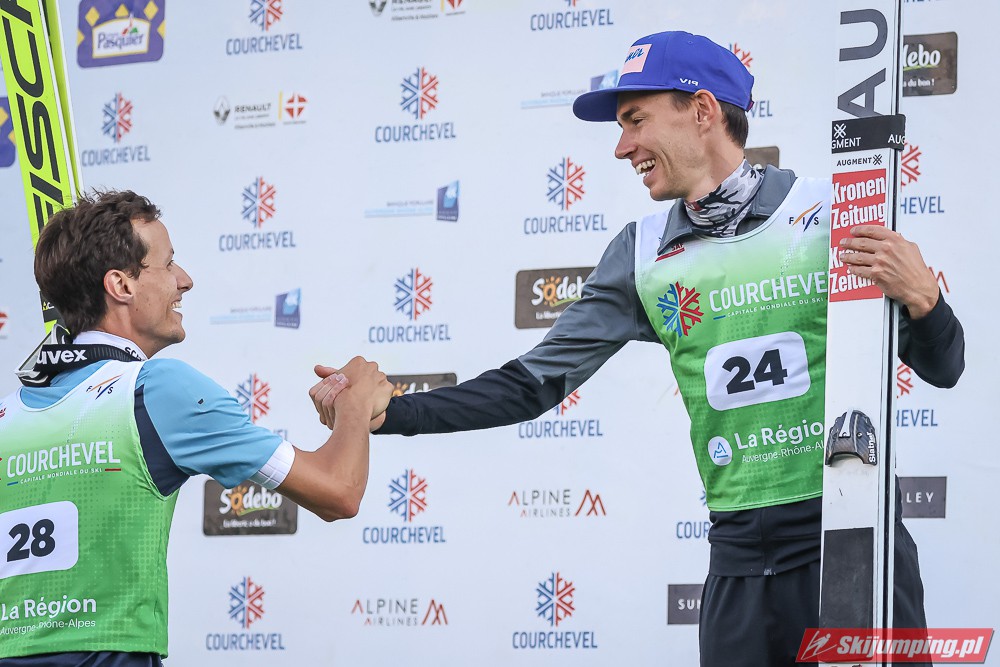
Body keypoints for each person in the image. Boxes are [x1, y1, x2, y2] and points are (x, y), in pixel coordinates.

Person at [337, 31, 965, 666]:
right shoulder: (640, 253)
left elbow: (944, 366)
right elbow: (533, 384)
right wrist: (393, 411)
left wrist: (926, 301)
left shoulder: (830, 215)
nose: (621, 147)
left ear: (702, 110)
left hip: (853, 543)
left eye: (635, 121)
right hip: (738, 561)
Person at [0, 190, 392, 667]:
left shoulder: (8, 414)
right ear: (120, 285)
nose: (185, 280)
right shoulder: (159, 389)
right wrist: (356, 402)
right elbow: (339, 492)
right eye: (168, 264)